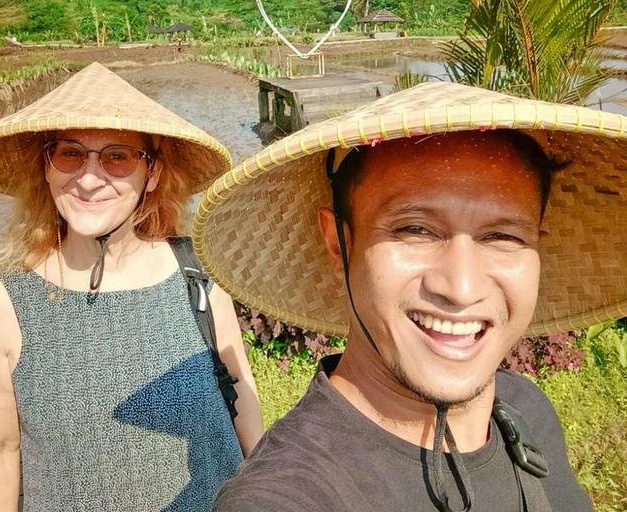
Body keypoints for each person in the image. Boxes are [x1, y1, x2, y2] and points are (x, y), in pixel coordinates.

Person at [193, 82, 627, 511]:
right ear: (339, 244)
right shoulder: (289, 497)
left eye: (502, 236)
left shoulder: (526, 410)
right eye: (414, 229)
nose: (461, 288)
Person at [0, 62, 263, 512]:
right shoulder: (5, 305)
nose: (87, 178)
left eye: (118, 156)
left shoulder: (197, 277)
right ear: (46, 166)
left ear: (152, 173)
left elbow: (243, 407)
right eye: (69, 154)